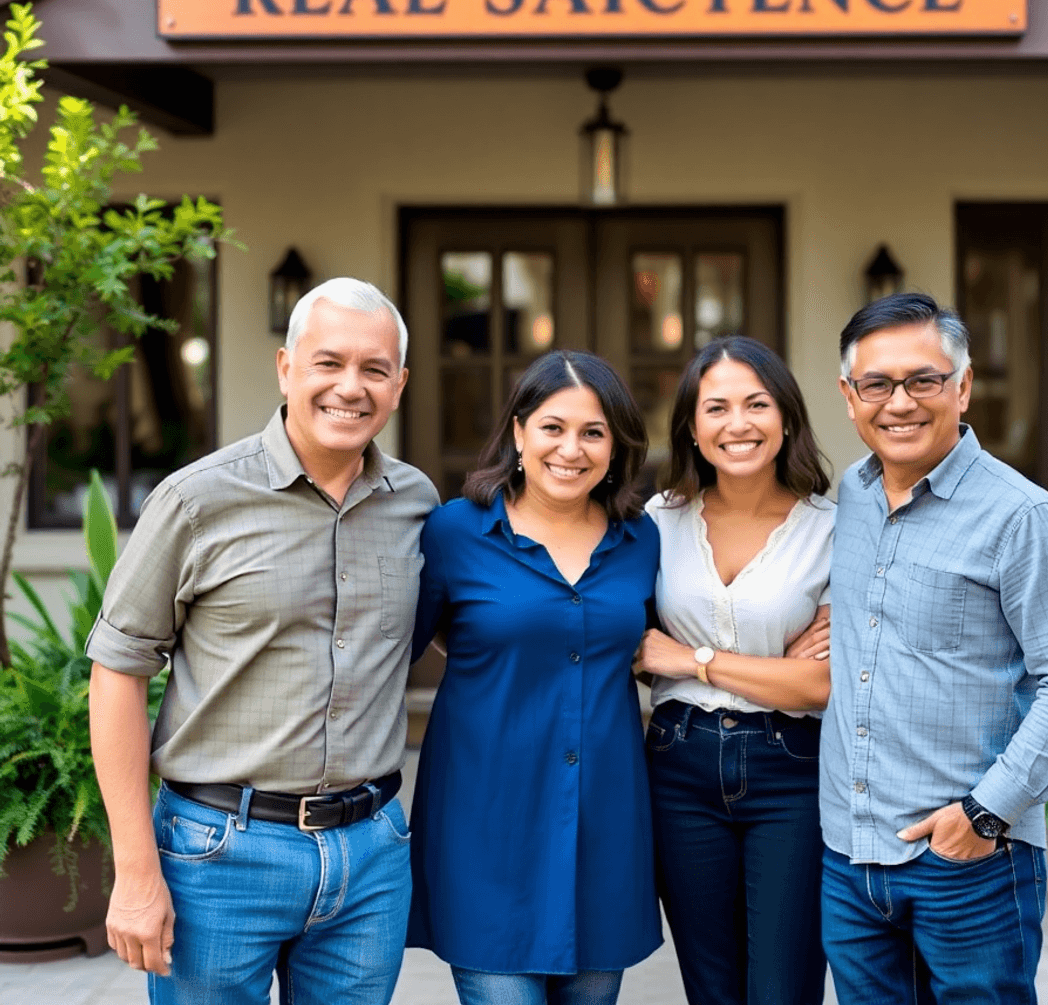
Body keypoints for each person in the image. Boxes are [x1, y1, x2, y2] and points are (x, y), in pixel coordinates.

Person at [86, 278, 437, 1004]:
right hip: (219, 854)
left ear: (399, 385)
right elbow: (118, 673)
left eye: (374, 370)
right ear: (286, 367)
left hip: (371, 854)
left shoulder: (418, 504)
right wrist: (136, 869)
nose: (351, 387)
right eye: (328, 363)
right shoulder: (195, 500)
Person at [821, 292, 1048, 1005]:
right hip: (851, 857)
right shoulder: (851, 497)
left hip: (970, 862)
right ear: (849, 397)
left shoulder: (1023, 517)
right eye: (878, 384)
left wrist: (985, 815)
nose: (901, 403)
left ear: (964, 386)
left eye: (924, 380)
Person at [407, 349, 661, 1005]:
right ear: (518, 433)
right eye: (553, 427)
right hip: (485, 827)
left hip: (604, 827)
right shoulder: (454, 532)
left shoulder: (643, 540)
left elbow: (667, 637)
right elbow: (401, 645)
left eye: (593, 432)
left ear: (615, 447)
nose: (570, 449)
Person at [635, 336, 835, 1005]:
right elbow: (626, 642)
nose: (738, 424)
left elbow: (821, 685)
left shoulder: (833, 530)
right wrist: (769, 668)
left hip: (793, 771)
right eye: (716, 407)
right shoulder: (654, 524)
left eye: (757, 403)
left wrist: (690, 659)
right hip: (677, 767)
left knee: (783, 989)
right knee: (712, 988)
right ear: (692, 426)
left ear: (786, 418)